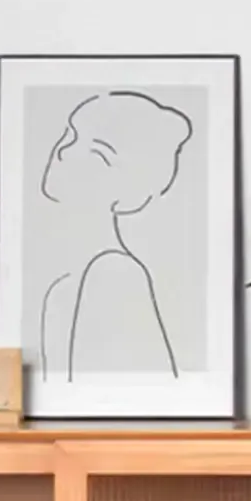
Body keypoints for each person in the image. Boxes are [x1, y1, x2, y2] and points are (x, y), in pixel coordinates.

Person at [39, 91, 193, 380]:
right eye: (71, 134)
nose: (64, 151)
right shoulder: (63, 290)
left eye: (98, 153)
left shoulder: (114, 273)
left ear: (129, 193)